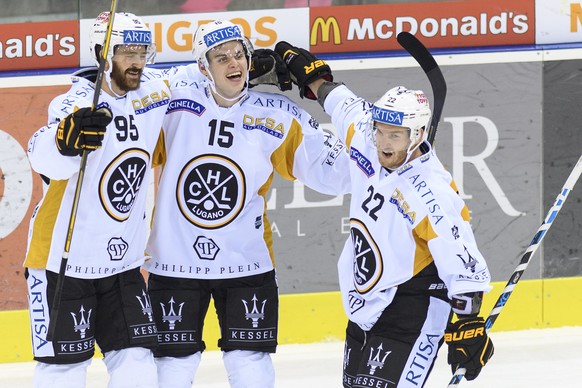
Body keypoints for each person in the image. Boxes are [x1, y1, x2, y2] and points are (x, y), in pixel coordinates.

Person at [271, 41, 495, 387]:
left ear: (418, 135)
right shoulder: (366, 136)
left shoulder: (431, 191)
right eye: (380, 131)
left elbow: (462, 260)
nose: (384, 143)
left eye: (395, 135)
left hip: (413, 307)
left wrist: (468, 324)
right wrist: (313, 75)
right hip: (365, 304)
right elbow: (339, 99)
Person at [143, 20, 351, 388]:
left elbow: (335, 173)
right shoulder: (172, 96)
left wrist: (390, 156)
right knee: (172, 369)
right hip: (174, 261)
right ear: (202, 67)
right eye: (220, 58)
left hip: (246, 263)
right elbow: (129, 91)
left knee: (251, 367)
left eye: (238, 54)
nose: (232, 63)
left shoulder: (276, 113)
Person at [24, 11, 169, 388]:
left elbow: (204, 79)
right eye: (126, 52)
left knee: (139, 367)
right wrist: (65, 142)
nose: (136, 61)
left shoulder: (156, 91)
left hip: (121, 265)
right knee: (63, 373)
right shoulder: (72, 104)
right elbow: (41, 153)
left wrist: (259, 70)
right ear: (102, 53)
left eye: (143, 51)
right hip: (61, 261)